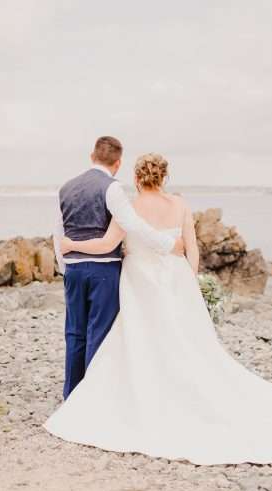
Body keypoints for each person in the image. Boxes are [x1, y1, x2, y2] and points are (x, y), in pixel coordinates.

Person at [44, 152, 272, 465]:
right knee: (185, 343)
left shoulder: (131, 206)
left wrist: (74, 247)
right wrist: (186, 285)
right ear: (164, 177)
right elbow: (192, 251)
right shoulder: (181, 205)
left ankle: (134, 395)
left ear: (137, 179)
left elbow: (114, 244)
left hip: (139, 282)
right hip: (176, 282)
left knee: (140, 338)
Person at [52, 136, 184, 399]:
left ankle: (71, 395)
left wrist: (65, 266)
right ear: (118, 162)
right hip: (104, 271)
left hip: (74, 271)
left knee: (74, 333)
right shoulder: (112, 188)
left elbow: (58, 232)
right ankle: (93, 397)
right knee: (98, 333)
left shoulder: (65, 188)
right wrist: (167, 244)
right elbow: (132, 224)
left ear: (92, 156)